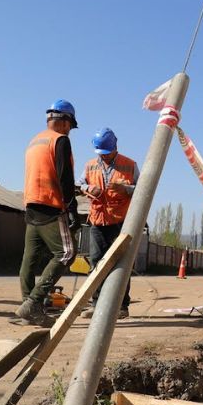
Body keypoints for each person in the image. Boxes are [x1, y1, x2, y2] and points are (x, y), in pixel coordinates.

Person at [15, 100, 80, 325]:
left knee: (29, 258)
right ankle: (33, 302)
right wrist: (72, 209)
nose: (70, 130)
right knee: (67, 253)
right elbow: (64, 177)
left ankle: (28, 306)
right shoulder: (60, 141)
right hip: (50, 207)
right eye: (70, 125)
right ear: (63, 121)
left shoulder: (34, 142)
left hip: (31, 206)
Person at [79, 128, 139, 319]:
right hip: (98, 220)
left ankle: (121, 307)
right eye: (101, 154)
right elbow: (79, 184)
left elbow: (141, 189)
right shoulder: (90, 165)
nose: (104, 157)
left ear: (115, 147)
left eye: (107, 153)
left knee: (121, 265)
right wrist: (88, 188)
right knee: (96, 262)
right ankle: (96, 304)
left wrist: (124, 188)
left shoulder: (129, 165)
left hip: (121, 221)